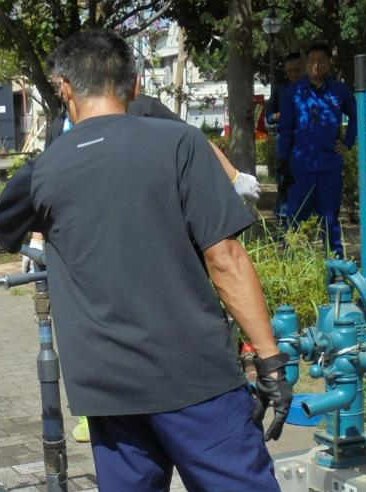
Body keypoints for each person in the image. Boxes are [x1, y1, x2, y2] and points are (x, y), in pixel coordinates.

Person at [0, 30, 295, 492]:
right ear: (134, 85)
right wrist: (268, 357)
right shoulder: (178, 143)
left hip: (108, 390)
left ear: (64, 88)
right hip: (194, 379)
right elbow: (225, 258)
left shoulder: (45, 170)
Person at [38, 84, 261, 444]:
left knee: (151, 303)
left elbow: (194, 142)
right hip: (87, 240)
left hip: (139, 225)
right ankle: (95, 411)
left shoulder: (143, 108)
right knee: (98, 316)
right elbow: (46, 185)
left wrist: (234, 177)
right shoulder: (58, 125)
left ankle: (174, 390)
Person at [277, 43, 356, 258]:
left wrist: (348, 142)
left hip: (329, 167)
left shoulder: (339, 91)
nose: (315, 66)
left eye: (320, 61)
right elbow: (285, 129)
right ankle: (292, 266)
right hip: (300, 168)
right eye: (311, 62)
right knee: (295, 221)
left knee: (330, 221)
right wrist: (283, 162)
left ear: (329, 63)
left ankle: (336, 267)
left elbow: (358, 114)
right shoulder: (293, 92)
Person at [266, 53, 305, 225]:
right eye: (289, 71)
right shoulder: (280, 89)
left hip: (307, 144)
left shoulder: (310, 89)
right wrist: (282, 115)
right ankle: (283, 220)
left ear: (303, 69)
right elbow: (268, 116)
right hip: (285, 144)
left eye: (296, 70)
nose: (293, 75)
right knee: (284, 181)